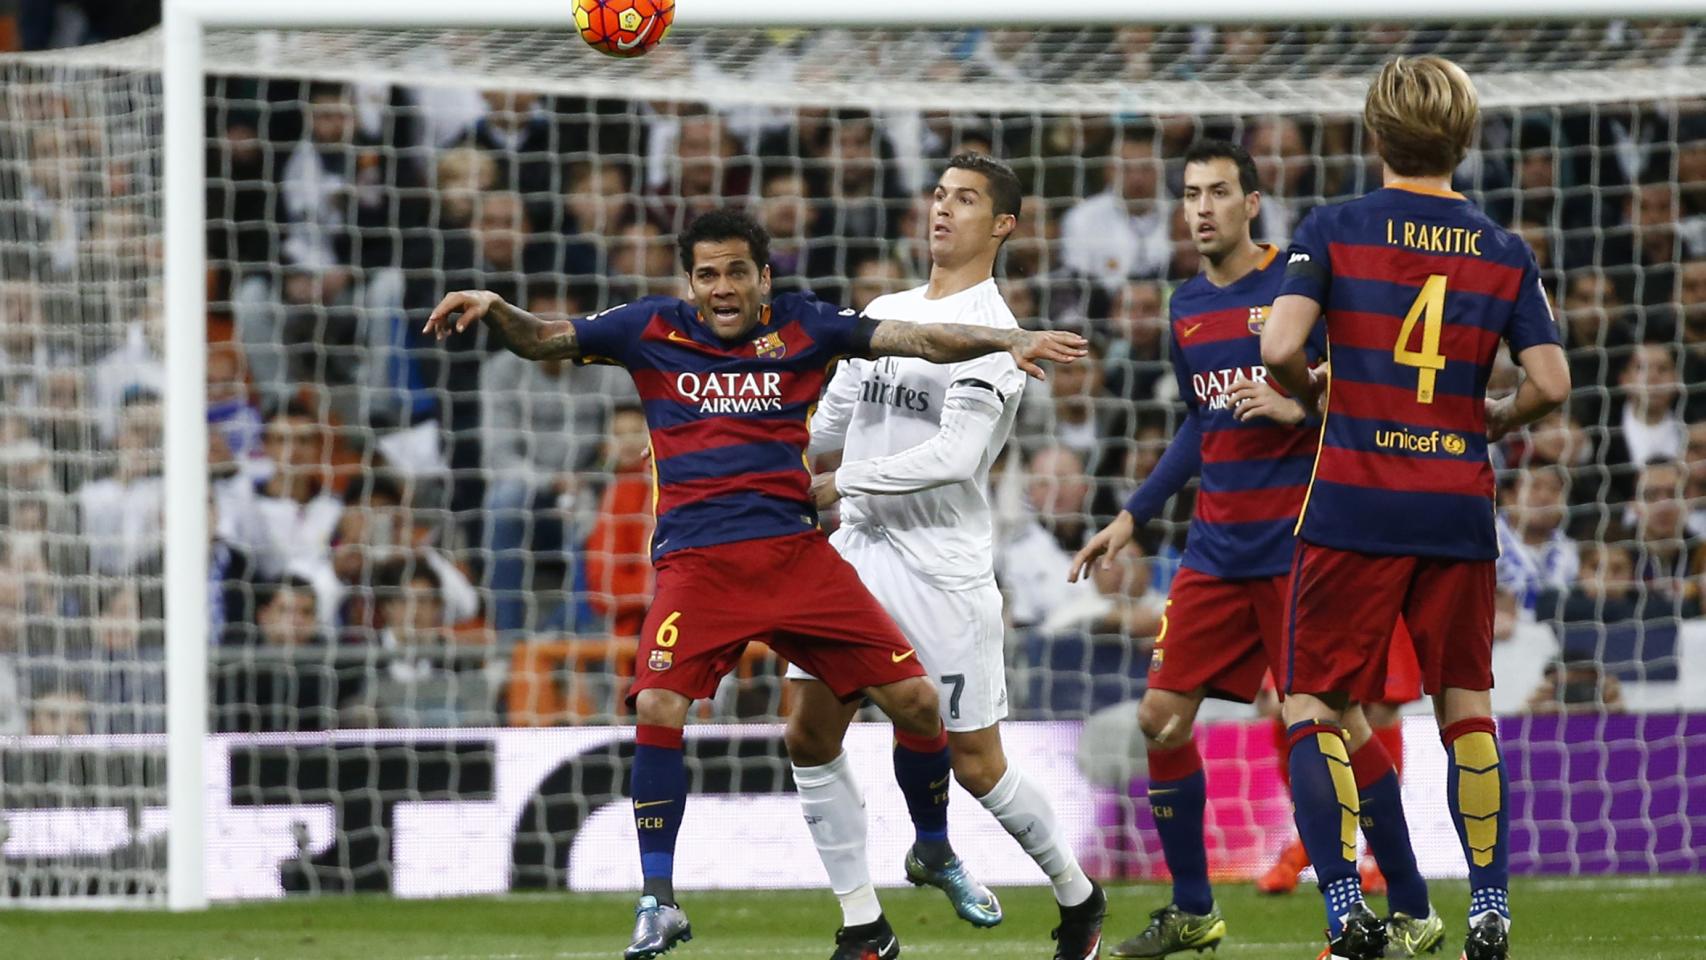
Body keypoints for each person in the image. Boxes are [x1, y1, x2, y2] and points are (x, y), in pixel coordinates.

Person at [422, 208, 1086, 960]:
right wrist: (497, 310)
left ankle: (931, 848)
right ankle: (658, 900)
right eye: (708, 274)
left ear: (763, 277)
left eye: (738, 271)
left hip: (797, 558)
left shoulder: (804, 326)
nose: (723, 288)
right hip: (698, 568)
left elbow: (921, 339)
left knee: (919, 704)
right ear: (691, 282)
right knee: (660, 702)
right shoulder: (648, 329)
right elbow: (545, 339)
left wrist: (1008, 338)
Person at [1069, 140, 1438, 959]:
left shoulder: (1301, 283)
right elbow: (1200, 425)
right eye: (1191, 193)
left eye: (1218, 192)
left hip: (1302, 546)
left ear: (1252, 202)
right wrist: (1132, 514)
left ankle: (1386, 905)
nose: (1201, 207)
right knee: (1161, 720)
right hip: (1214, 552)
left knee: (1327, 718)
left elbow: (1371, 391)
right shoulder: (1185, 304)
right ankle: (1194, 910)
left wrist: (1298, 407)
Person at [1258, 56, 1570, 960]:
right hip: (1456, 508)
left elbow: (1280, 345)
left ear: (1372, 133)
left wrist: (1318, 391)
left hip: (1354, 502)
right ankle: (1489, 906)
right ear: (1464, 139)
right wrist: (1500, 416)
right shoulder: (1505, 249)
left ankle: (1349, 906)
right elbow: (1549, 381)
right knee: (1466, 704)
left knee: (1313, 703)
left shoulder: (1336, 226)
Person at [789, 154, 1104, 960]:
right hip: (855, 551)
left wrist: (838, 484)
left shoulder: (999, 337)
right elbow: (825, 429)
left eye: (965, 200)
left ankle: (1079, 898)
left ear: (1002, 224)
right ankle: (863, 926)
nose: (943, 210)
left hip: (940, 567)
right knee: (808, 731)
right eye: (938, 194)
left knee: (976, 762)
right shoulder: (885, 313)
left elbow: (956, 458)